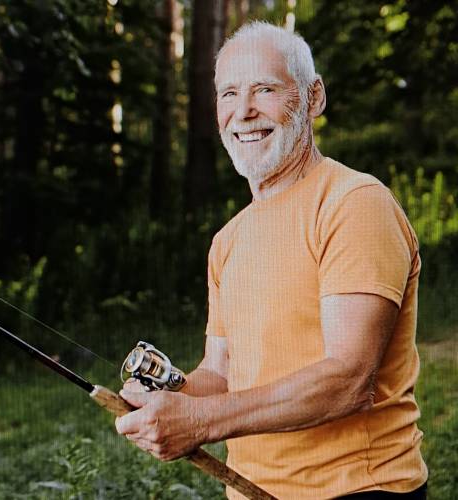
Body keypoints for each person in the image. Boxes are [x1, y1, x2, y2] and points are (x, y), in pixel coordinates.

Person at [115, 22, 428, 499]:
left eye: (264, 89)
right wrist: (167, 400)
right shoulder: (228, 240)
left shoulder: (354, 204)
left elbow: (347, 379)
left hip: (359, 490)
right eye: (229, 94)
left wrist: (200, 421)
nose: (243, 111)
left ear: (313, 97)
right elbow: (220, 374)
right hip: (250, 490)